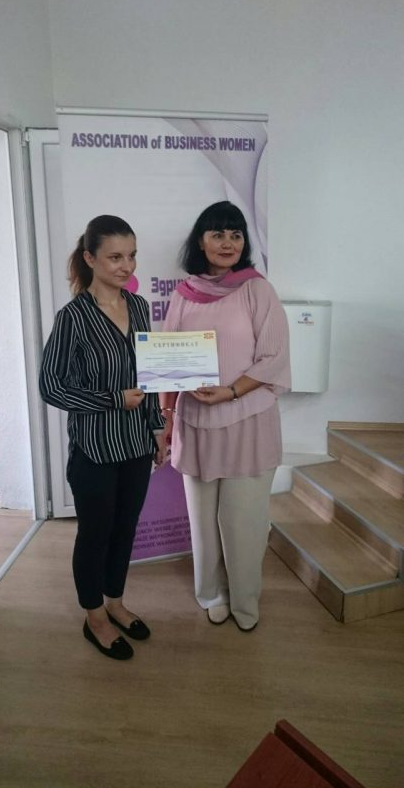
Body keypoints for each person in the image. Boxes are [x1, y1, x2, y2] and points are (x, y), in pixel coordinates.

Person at [39, 215, 165, 660]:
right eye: (115, 257)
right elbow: (51, 386)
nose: (126, 266)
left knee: (125, 530)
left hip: (136, 446)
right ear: (90, 258)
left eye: (131, 256)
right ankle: (94, 616)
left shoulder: (140, 307)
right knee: (95, 534)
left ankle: (115, 601)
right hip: (94, 450)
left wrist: (157, 428)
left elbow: (149, 376)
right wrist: (112, 399)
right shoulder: (72, 318)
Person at [161, 201, 290, 631]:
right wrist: (166, 415)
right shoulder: (183, 294)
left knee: (244, 521)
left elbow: (274, 357)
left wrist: (231, 391)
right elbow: (169, 360)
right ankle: (212, 593)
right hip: (195, 423)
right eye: (217, 234)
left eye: (236, 235)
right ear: (201, 242)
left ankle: (244, 600)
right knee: (202, 520)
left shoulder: (257, 290)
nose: (227, 242)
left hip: (248, 419)